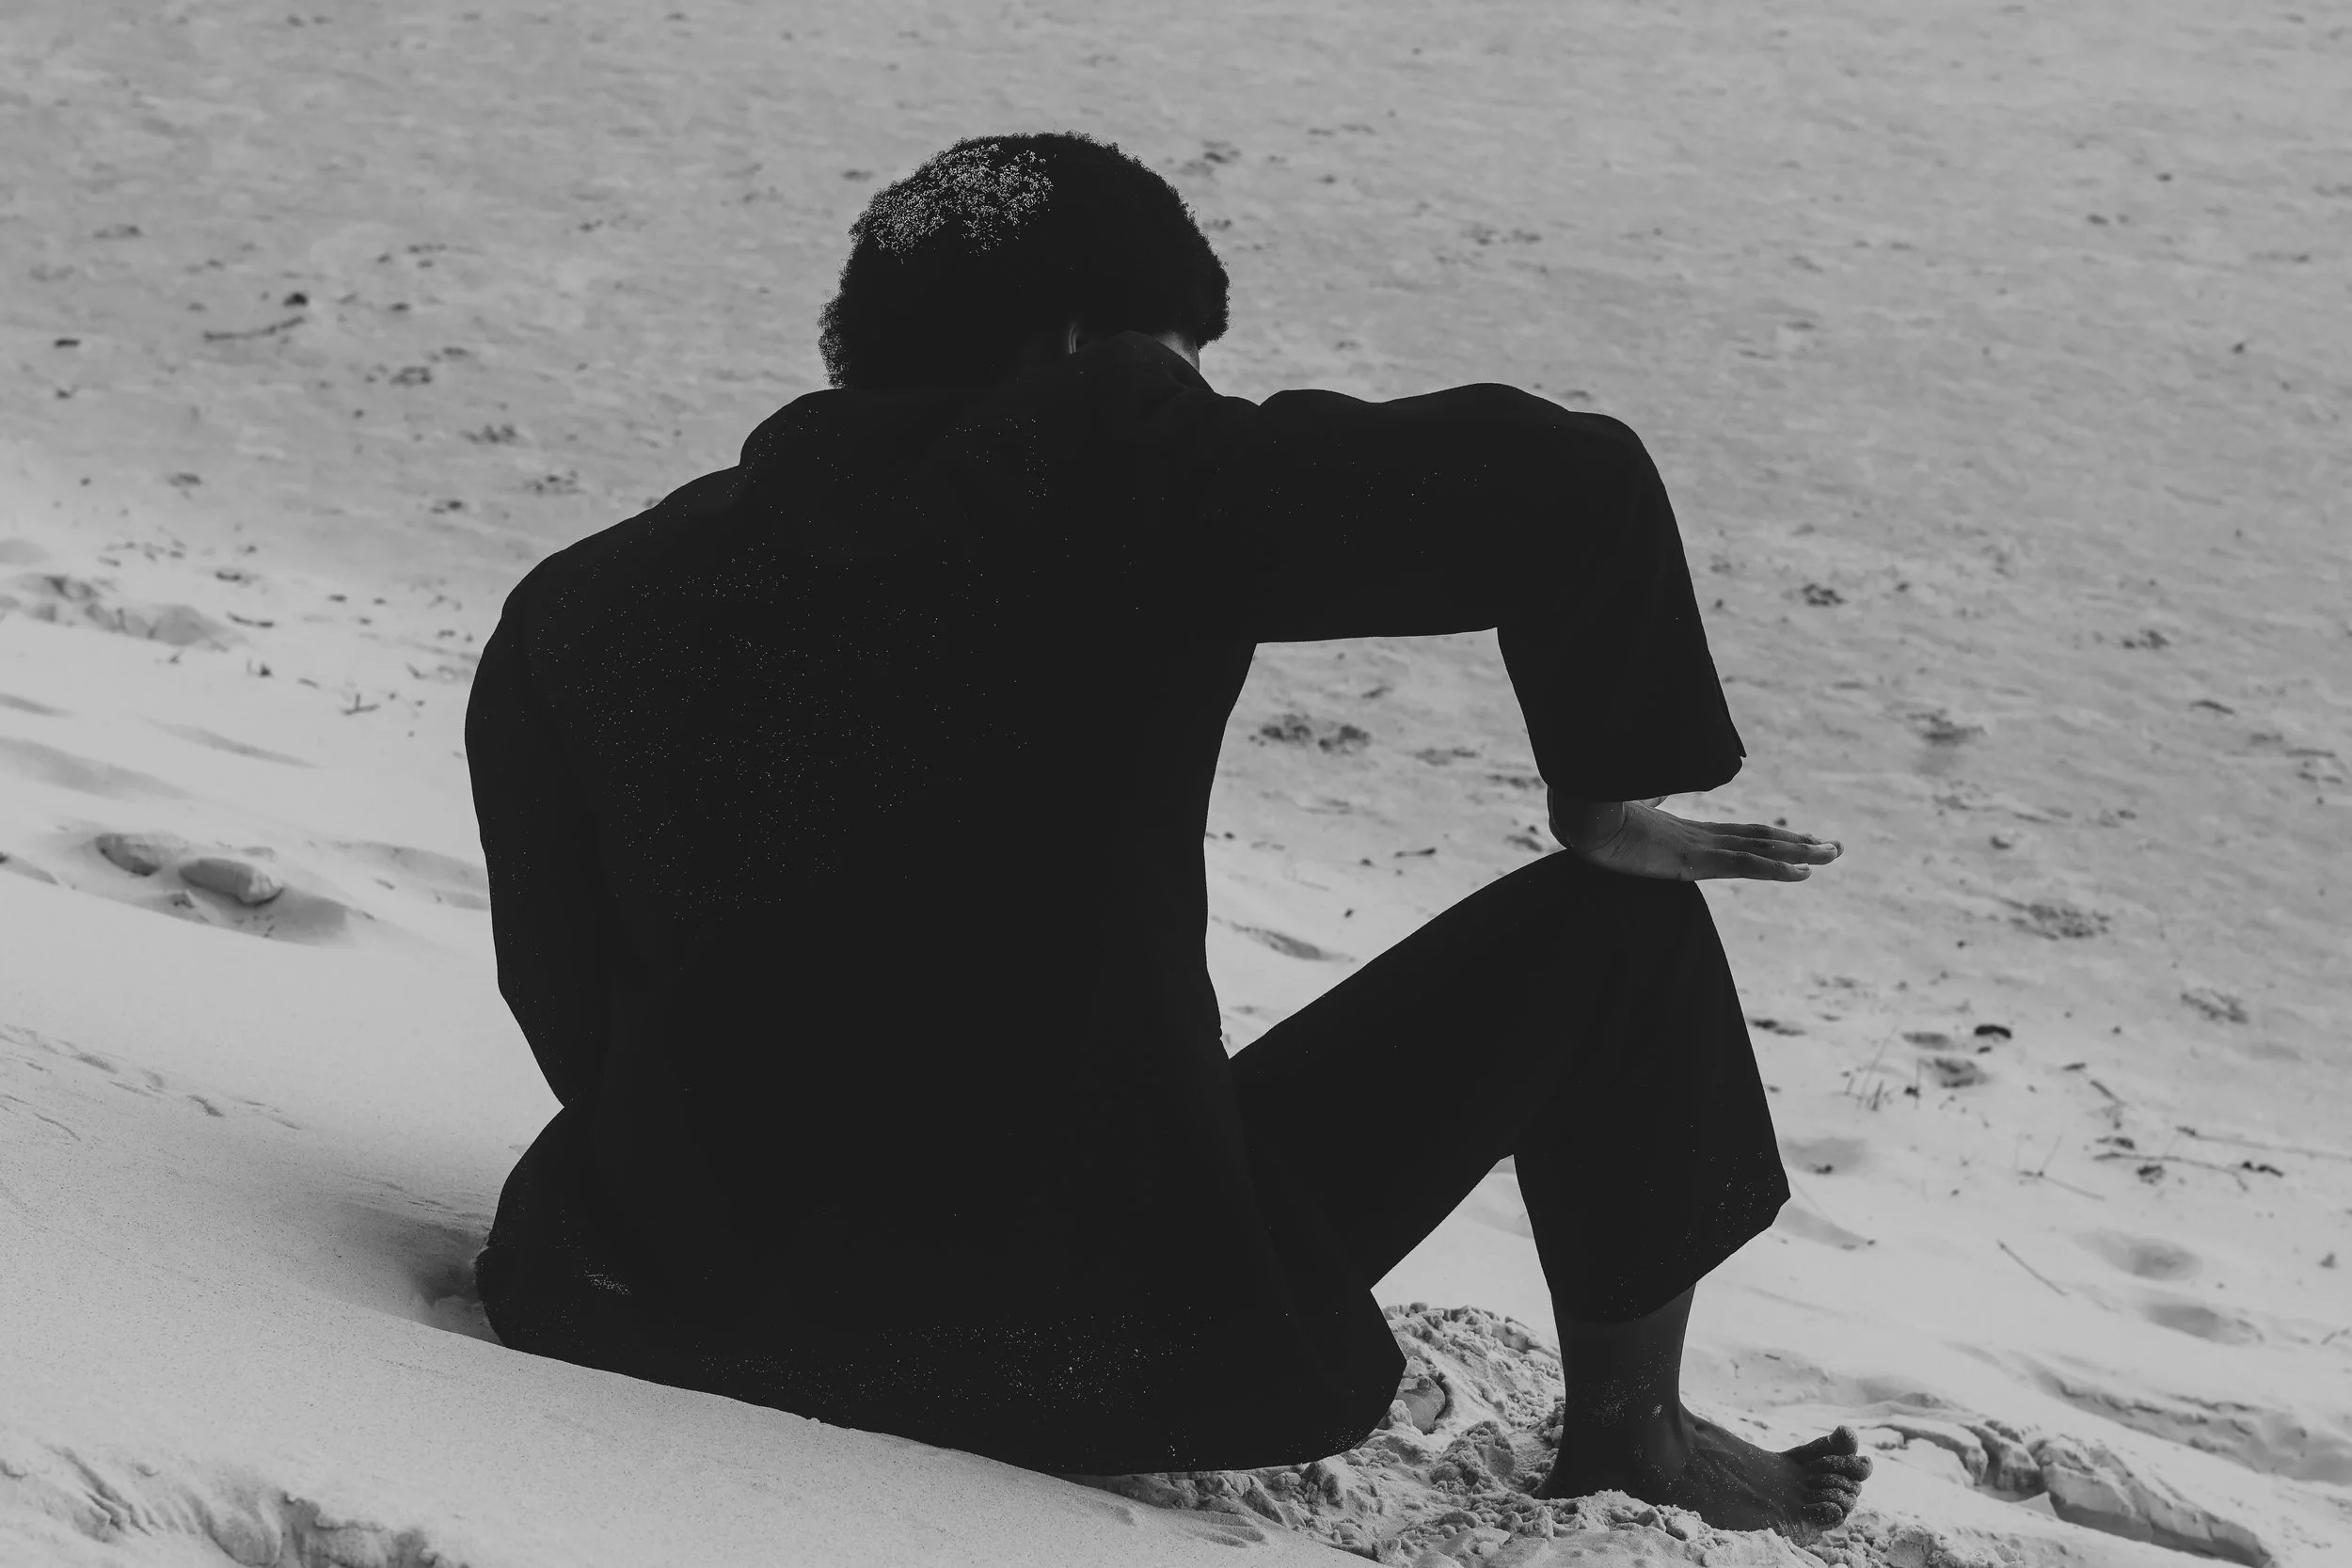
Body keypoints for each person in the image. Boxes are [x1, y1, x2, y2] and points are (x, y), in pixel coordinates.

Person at [464, 131, 1872, 1539]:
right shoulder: (1104, 465)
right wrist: (1605, 790)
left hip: (666, 1292)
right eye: (1183, 362)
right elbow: (1575, 483)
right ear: (1080, 346)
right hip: (1080, 1341)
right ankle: (1638, 1436)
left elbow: (561, 995)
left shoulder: (576, 604)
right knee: (1619, 926)